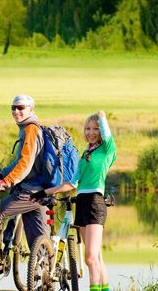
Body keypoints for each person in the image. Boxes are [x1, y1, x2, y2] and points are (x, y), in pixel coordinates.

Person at [31, 110, 116, 291]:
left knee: (90, 258)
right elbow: (72, 183)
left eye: (95, 129)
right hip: (82, 203)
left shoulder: (107, 149)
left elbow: (107, 132)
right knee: (97, 256)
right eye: (87, 129)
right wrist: (44, 192)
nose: (90, 132)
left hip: (95, 203)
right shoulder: (86, 152)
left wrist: (101, 117)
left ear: (101, 131)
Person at [0, 94, 49, 249]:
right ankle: (44, 271)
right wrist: (3, 173)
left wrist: (7, 181)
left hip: (31, 191)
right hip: (40, 190)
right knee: (39, 244)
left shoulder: (31, 129)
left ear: (31, 110)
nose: (16, 111)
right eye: (13, 108)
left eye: (20, 107)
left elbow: (25, 162)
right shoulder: (27, 128)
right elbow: (19, 160)